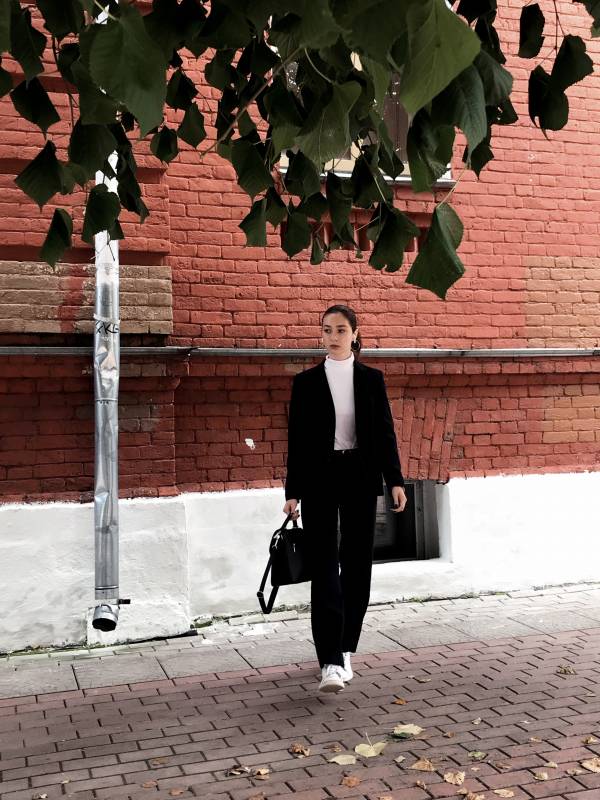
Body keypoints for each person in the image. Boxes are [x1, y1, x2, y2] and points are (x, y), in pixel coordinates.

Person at [283, 304, 407, 694]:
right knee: (324, 566)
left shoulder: (371, 379)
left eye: (340, 330)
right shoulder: (306, 383)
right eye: (326, 330)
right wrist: (292, 492)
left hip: (360, 476)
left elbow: (385, 433)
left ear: (354, 334)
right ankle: (330, 662)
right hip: (319, 479)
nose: (333, 336)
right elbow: (297, 441)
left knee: (356, 565)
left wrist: (395, 480)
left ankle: (346, 647)